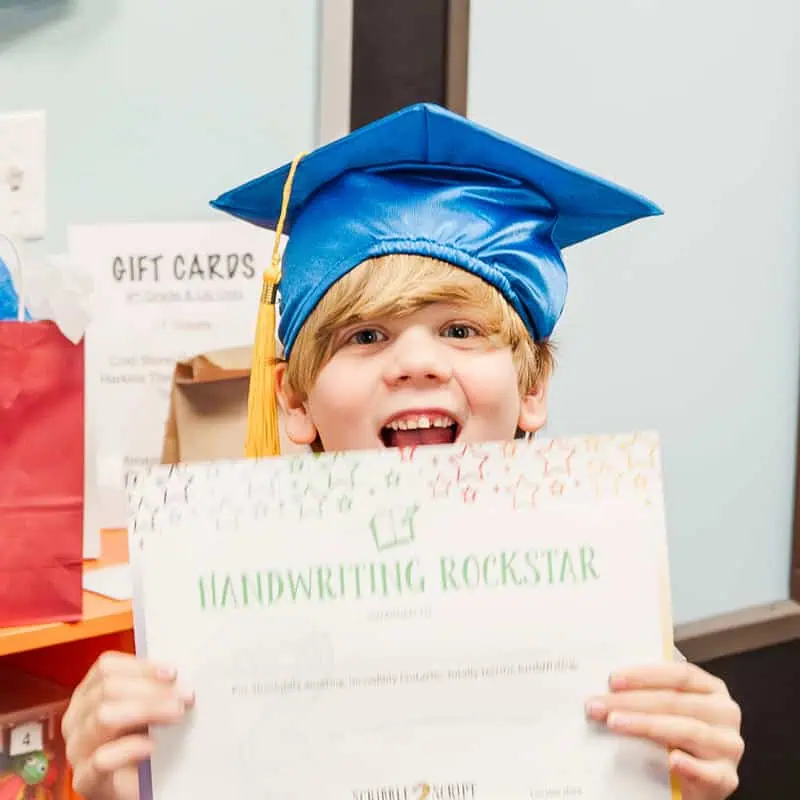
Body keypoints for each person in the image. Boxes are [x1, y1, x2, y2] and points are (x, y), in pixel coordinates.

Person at [61, 103, 743, 800]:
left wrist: (689, 785)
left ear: (532, 386)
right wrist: (125, 790)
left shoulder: (610, 631)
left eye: (459, 329)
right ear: (293, 403)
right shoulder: (208, 639)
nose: (417, 363)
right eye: (364, 336)